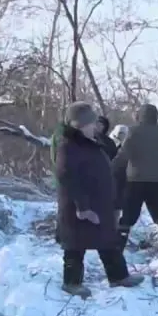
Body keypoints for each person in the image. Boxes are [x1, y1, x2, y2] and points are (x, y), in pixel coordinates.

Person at [55, 102, 144, 297]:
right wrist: (82, 207)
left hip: (99, 205)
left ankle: (119, 277)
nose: (95, 127)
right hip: (79, 207)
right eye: (90, 124)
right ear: (78, 125)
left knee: (108, 242)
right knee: (74, 247)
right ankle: (71, 283)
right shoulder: (68, 146)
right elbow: (67, 177)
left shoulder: (91, 142)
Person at [113, 103, 158, 254]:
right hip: (157, 180)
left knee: (128, 216)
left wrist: (113, 170)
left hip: (135, 180)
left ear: (140, 116)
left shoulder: (134, 132)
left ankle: (118, 248)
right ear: (155, 116)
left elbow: (123, 155)